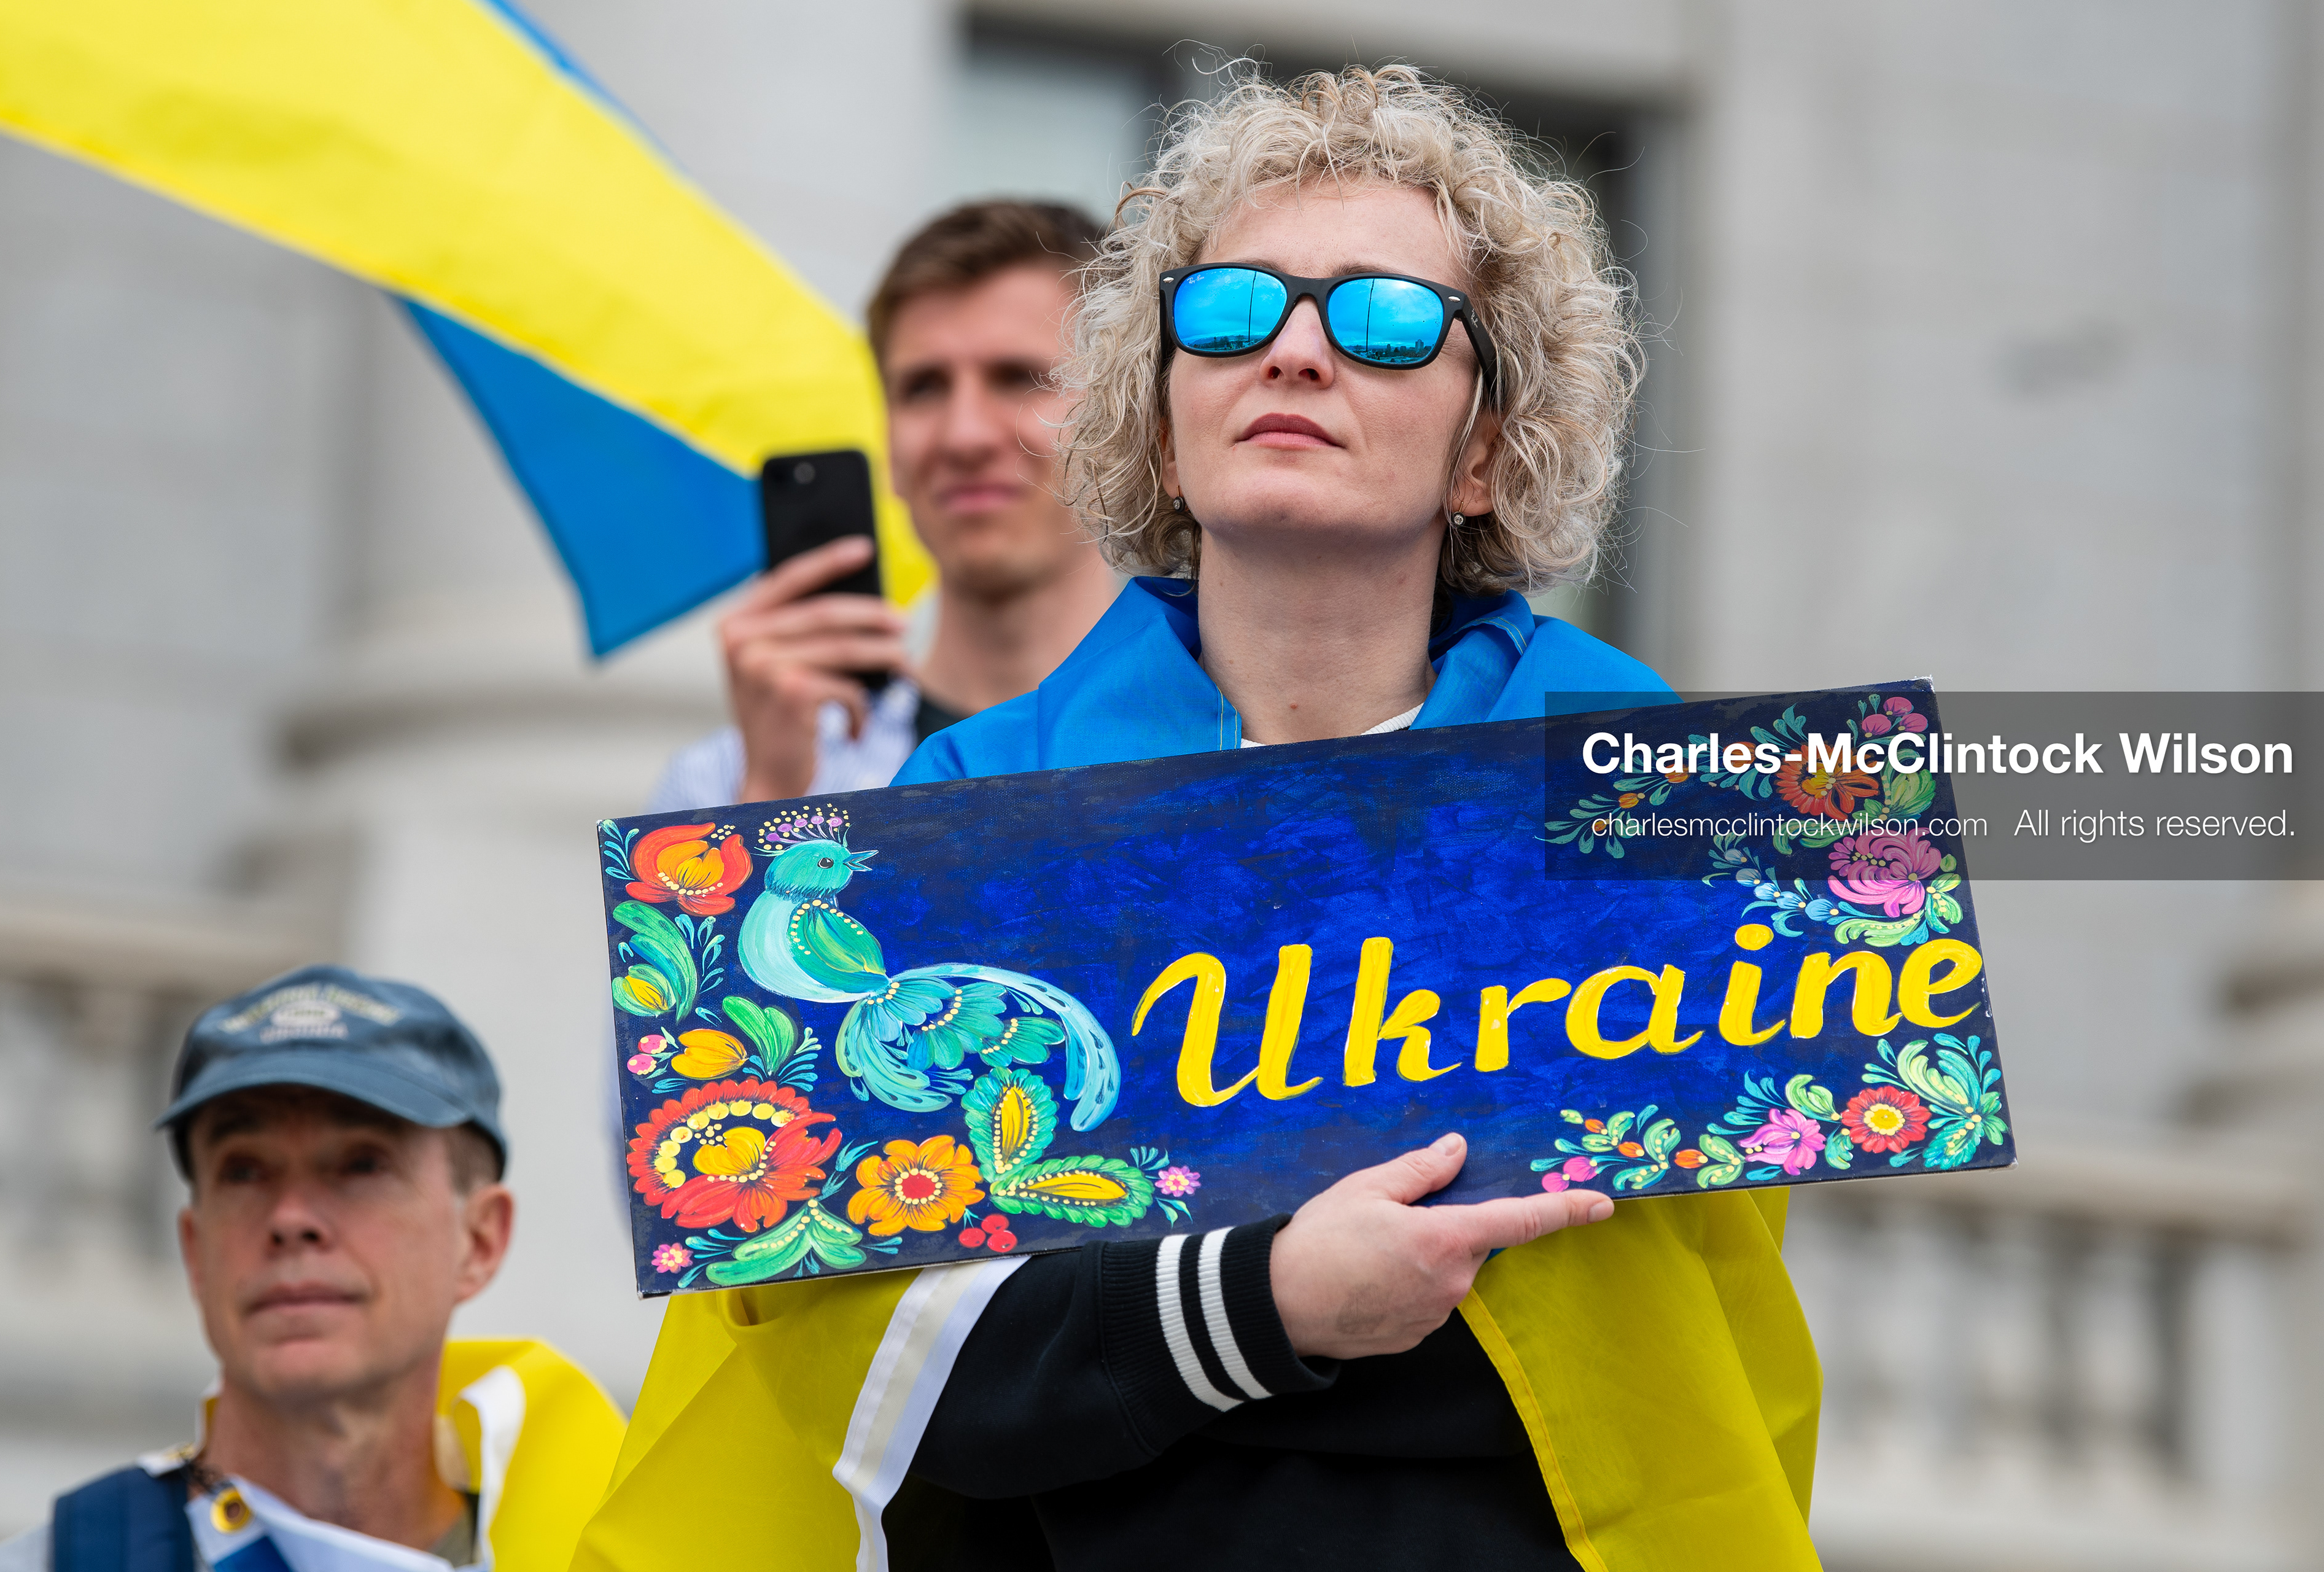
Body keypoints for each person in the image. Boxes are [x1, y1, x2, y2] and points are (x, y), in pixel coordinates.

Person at [578, 67, 1820, 1572]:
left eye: (1379, 319)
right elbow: (869, 1363)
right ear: (1163, 426)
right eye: (1230, 311)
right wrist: (1272, 1301)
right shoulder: (969, 806)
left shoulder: (1660, 814)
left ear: (1484, 450)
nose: (1294, 350)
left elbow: (1690, 1364)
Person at [0, 966, 623, 1572]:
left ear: (480, 1241)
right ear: (196, 1251)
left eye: (362, 1163)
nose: (290, 1216)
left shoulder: (604, 1549)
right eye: (244, 1170)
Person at [646, 200, 1121, 812]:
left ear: (1123, 419)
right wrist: (771, 802)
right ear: (890, 444)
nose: (964, 435)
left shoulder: (1231, 749)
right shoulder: (719, 785)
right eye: (923, 387)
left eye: (1018, 377)